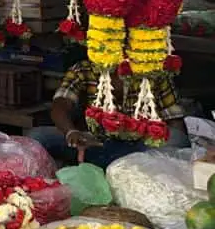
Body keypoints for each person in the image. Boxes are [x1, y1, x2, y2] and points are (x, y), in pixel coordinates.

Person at [28, 58, 190, 168]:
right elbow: (60, 103)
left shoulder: (153, 73)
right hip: (93, 143)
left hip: (140, 152)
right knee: (37, 136)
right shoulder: (84, 68)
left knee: (176, 139)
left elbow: (174, 120)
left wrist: (178, 159)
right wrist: (72, 132)